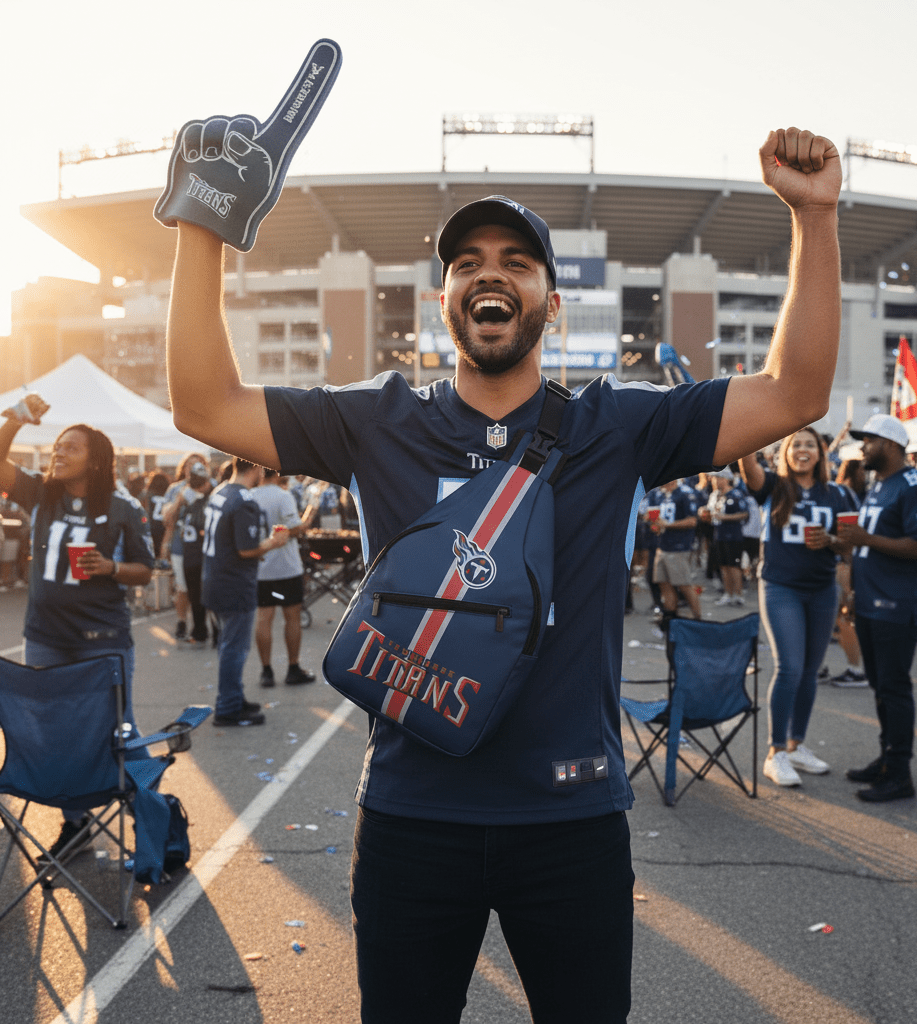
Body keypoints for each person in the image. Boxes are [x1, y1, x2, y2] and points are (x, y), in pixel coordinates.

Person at [165, 127, 842, 1021]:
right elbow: (203, 404)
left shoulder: (617, 426)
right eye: (469, 263)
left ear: (550, 304)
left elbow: (796, 392)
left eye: (518, 262)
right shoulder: (378, 419)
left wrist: (816, 217)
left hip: (571, 819)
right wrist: (201, 225)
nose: (492, 274)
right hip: (413, 818)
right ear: (441, 298)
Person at [0, 396, 154, 857]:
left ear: (96, 460)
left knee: (119, 730)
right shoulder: (41, 492)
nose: (58, 453)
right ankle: (77, 823)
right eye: (57, 447)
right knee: (53, 733)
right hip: (45, 638)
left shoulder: (123, 507)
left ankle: (151, 813)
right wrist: (14, 419)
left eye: (71, 448)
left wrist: (109, 567)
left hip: (102, 641)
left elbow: (145, 569)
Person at [740, 428, 854, 786]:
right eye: (795, 444)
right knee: (788, 666)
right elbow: (748, 465)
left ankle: (796, 744)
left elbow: (850, 545)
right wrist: (758, 425)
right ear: (785, 452)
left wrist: (832, 540)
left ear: (821, 453)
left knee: (809, 669)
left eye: (810, 445)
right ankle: (775, 754)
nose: (803, 450)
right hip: (781, 587)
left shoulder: (838, 493)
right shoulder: (775, 486)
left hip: (822, 588)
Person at [838, 414, 917, 802]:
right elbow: (867, 543)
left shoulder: (916, 487)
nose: (863, 446)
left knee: (894, 688)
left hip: (898, 604)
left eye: (870, 440)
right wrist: (844, 547)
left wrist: (866, 538)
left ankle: (900, 773)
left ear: (892, 445)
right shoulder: (880, 485)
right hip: (871, 601)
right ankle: (886, 758)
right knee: (880, 687)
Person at [201, 458, 290, 726]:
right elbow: (246, 549)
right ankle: (228, 707)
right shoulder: (243, 500)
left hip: (214, 577)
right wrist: (273, 543)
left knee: (228, 644)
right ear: (257, 468)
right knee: (234, 648)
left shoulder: (220, 491)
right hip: (234, 582)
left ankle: (234, 697)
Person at [251, 468, 318, 686]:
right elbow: (295, 529)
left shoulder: (251, 495)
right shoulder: (282, 495)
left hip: (261, 565)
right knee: (292, 617)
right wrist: (310, 513)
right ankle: (293, 667)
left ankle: (266, 671)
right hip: (287, 567)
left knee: (264, 618)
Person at [160, 453, 212, 639]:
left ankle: (203, 624)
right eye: (190, 465)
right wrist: (180, 501)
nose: (194, 469)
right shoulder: (176, 489)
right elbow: (166, 519)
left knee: (205, 586)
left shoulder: (212, 486)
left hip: (205, 544)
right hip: (181, 544)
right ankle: (182, 621)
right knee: (183, 586)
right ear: (184, 468)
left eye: (198, 465)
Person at [651, 478, 702, 624]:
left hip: (679, 546)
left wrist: (668, 525)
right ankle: (670, 619)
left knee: (684, 585)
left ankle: (698, 620)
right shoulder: (659, 494)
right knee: (664, 583)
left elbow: (692, 521)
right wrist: (655, 525)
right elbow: (657, 520)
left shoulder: (685, 493)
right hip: (662, 545)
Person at [701, 469, 748, 606]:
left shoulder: (736, 494)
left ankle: (738, 594)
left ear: (726, 479)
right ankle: (728, 593)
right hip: (718, 534)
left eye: (719, 478)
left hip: (733, 535)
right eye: (714, 478)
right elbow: (710, 512)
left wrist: (725, 517)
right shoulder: (715, 495)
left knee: (734, 566)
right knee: (723, 566)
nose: (715, 481)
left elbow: (744, 514)